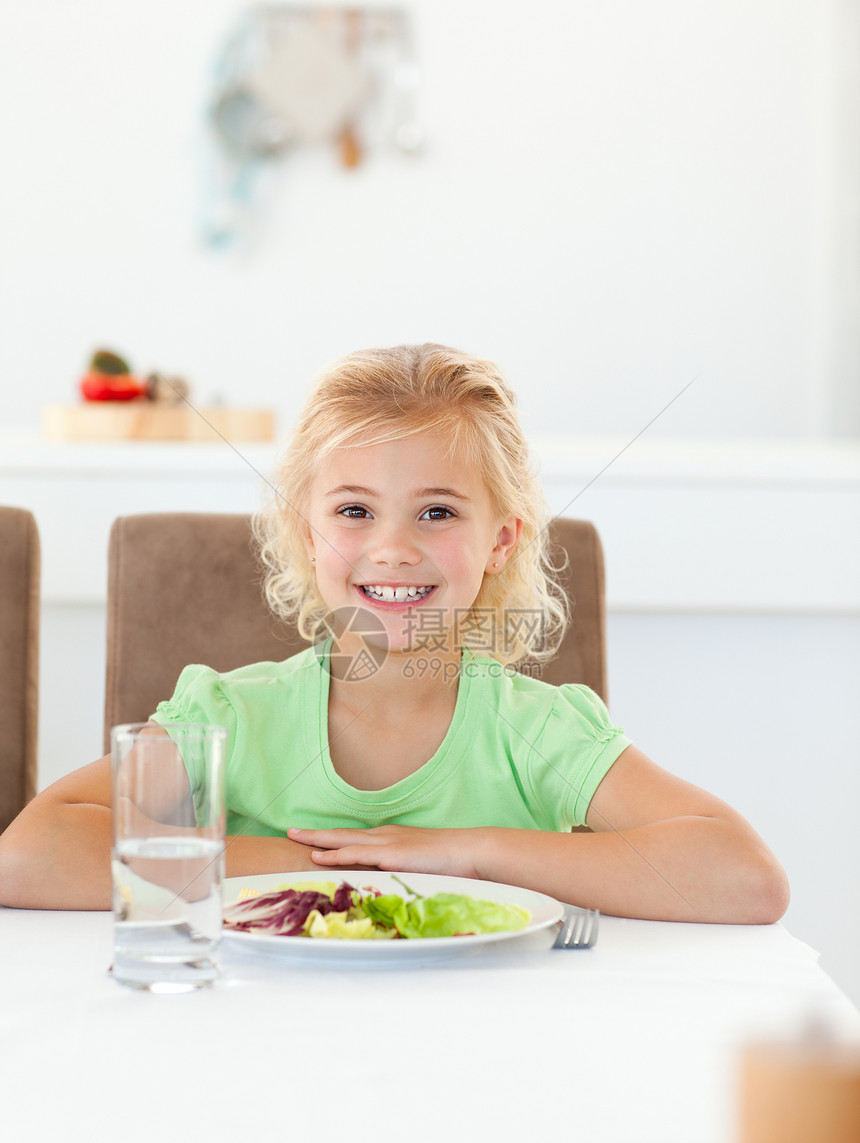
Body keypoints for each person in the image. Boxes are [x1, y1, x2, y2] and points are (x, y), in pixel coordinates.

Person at [0, 343, 789, 921]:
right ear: (309, 534)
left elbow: (746, 879)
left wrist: (467, 855)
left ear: (502, 541)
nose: (393, 548)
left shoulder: (537, 731)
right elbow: (28, 855)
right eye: (354, 511)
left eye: (438, 512)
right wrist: (329, 866)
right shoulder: (232, 720)